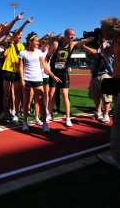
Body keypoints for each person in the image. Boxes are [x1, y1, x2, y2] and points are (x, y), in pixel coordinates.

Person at [46, 29, 93, 127]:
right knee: (51, 94)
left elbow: (82, 41)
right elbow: (48, 56)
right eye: (71, 35)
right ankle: (49, 114)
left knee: (64, 95)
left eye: (74, 35)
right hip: (54, 72)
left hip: (64, 73)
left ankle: (68, 118)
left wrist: (93, 38)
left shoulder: (72, 45)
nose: (73, 37)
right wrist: (47, 68)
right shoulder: (56, 44)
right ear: (65, 35)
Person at [19, 32, 61, 132]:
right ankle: (25, 123)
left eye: (38, 41)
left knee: (41, 102)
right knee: (26, 103)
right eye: (36, 41)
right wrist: (22, 80)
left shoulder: (38, 52)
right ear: (30, 42)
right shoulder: (22, 53)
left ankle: (45, 124)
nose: (38, 42)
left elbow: (44, 66)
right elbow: (20, 67)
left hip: (38, 80)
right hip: (27, 80)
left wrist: (53, 75)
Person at [98, 18, 120, 169]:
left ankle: (116, 158)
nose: (101, 30)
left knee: (117, 123)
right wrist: (102, 41)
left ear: (110, 29)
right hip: (117, 82)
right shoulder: (115, 41)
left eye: (102, 28)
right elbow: (106, 53)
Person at [83, 38, 114, 123]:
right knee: (96, 96)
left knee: (106, 97)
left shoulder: (110, 43)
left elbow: (97, 51)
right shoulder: (94, 46)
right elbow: (91, 55)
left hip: (106, 74)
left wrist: (82, 45)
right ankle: (99, 112)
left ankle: (106, 114)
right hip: (95, 74)